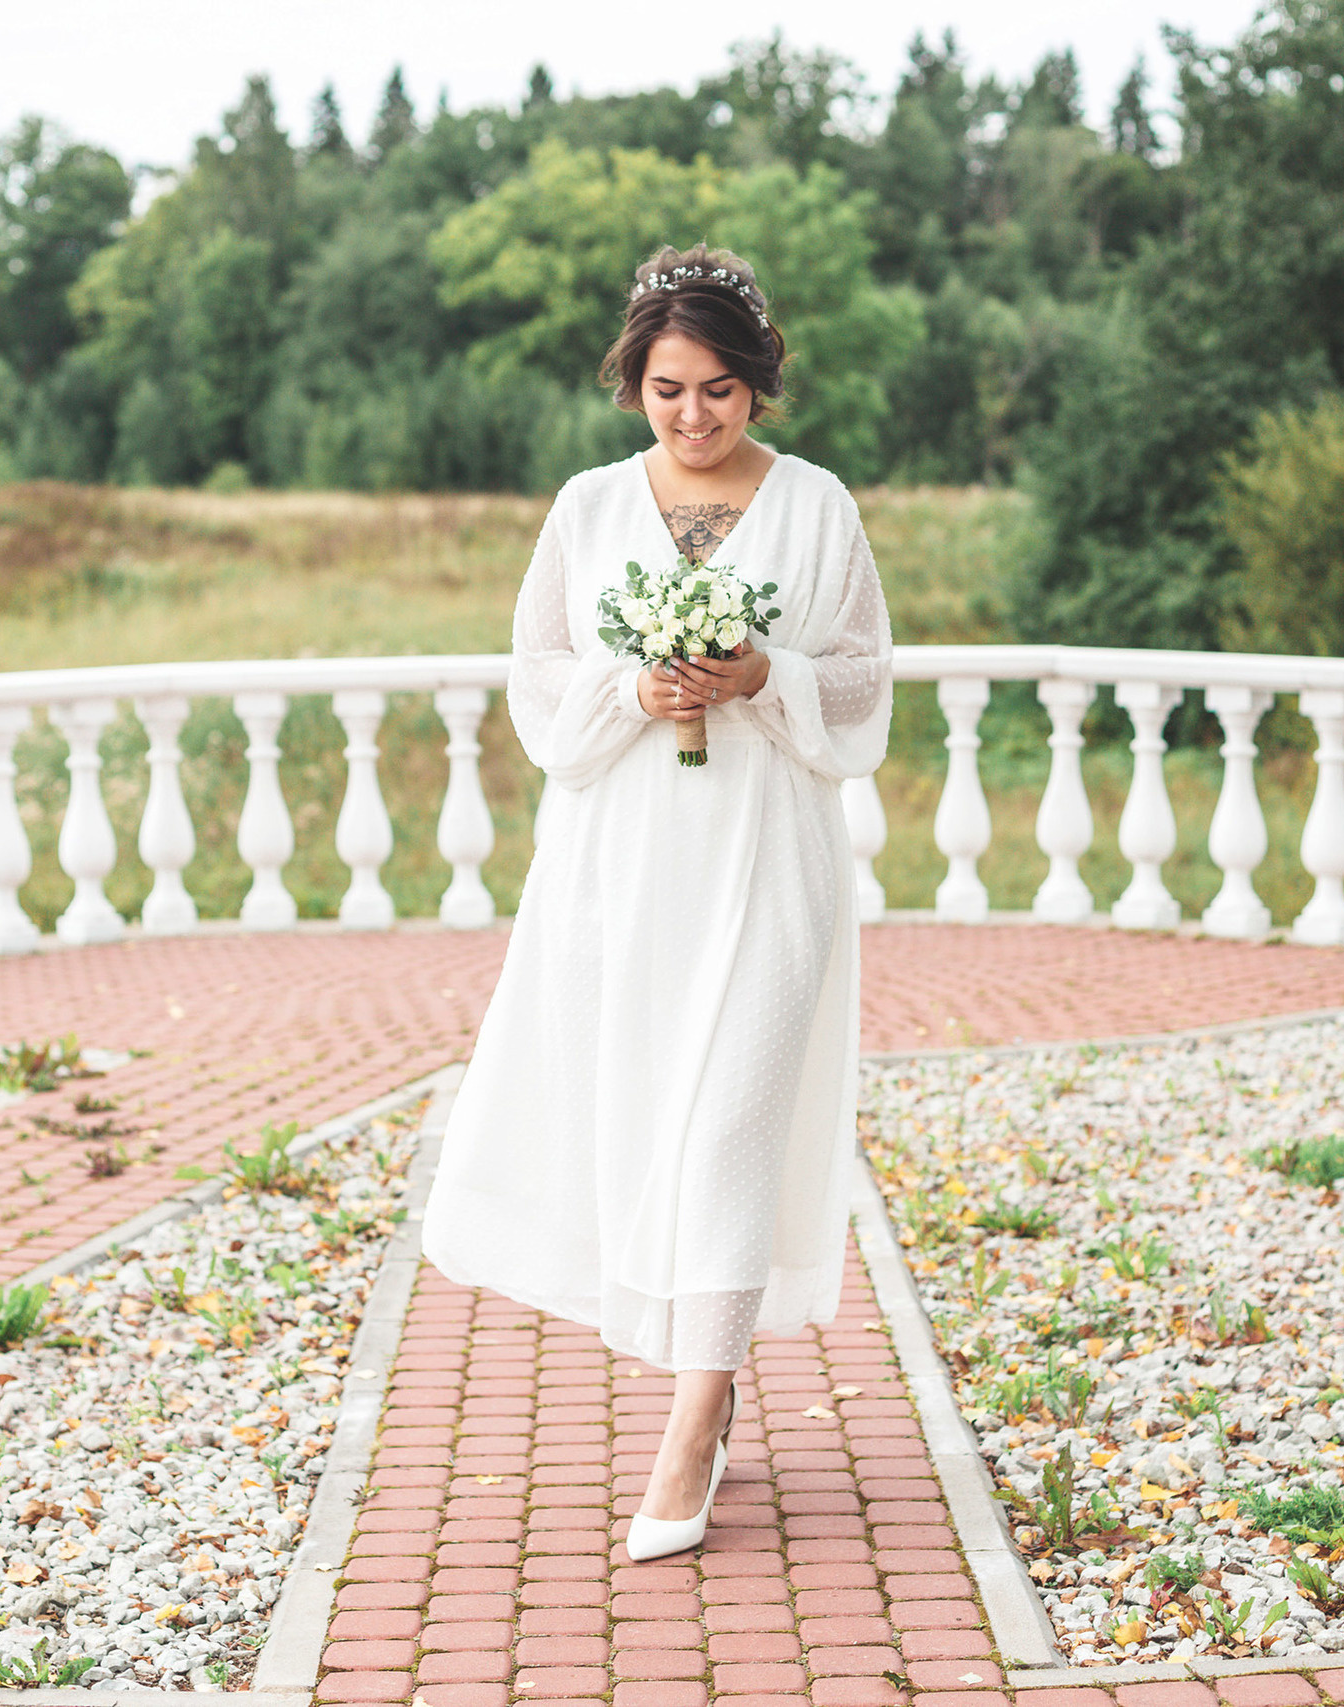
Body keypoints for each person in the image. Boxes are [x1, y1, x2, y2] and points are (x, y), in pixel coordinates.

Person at [421, 243, 894, 1560]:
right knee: (652, 1122)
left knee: (734, 1118)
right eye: (669, 389)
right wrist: (636, 689)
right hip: (623, 862)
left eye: (720, 391)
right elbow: (538, 674)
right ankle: (709, 1374)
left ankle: (694, 1416)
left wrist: (764, 675)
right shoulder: (586, 510)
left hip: (771, 850)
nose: (694, 416)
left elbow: (864, 675)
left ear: (759, 386)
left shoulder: (818, 508)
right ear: (633, 381)